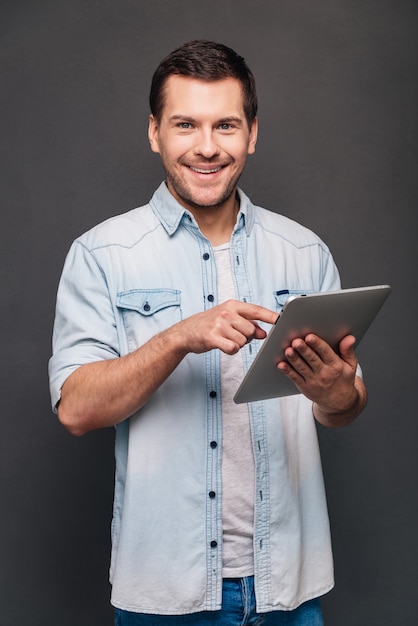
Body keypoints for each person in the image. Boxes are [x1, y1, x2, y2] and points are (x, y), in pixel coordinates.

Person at [49, 40, 367, 625]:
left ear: (251, 133)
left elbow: (345, 406)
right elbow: (75, 410)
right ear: (154, 132)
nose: (206, 146)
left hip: (289, 591)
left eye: (225, 125)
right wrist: (178, 337)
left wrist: (334, 392)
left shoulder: (305, 252)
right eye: (184, 125)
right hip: (166, 594)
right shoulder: (101, 254)